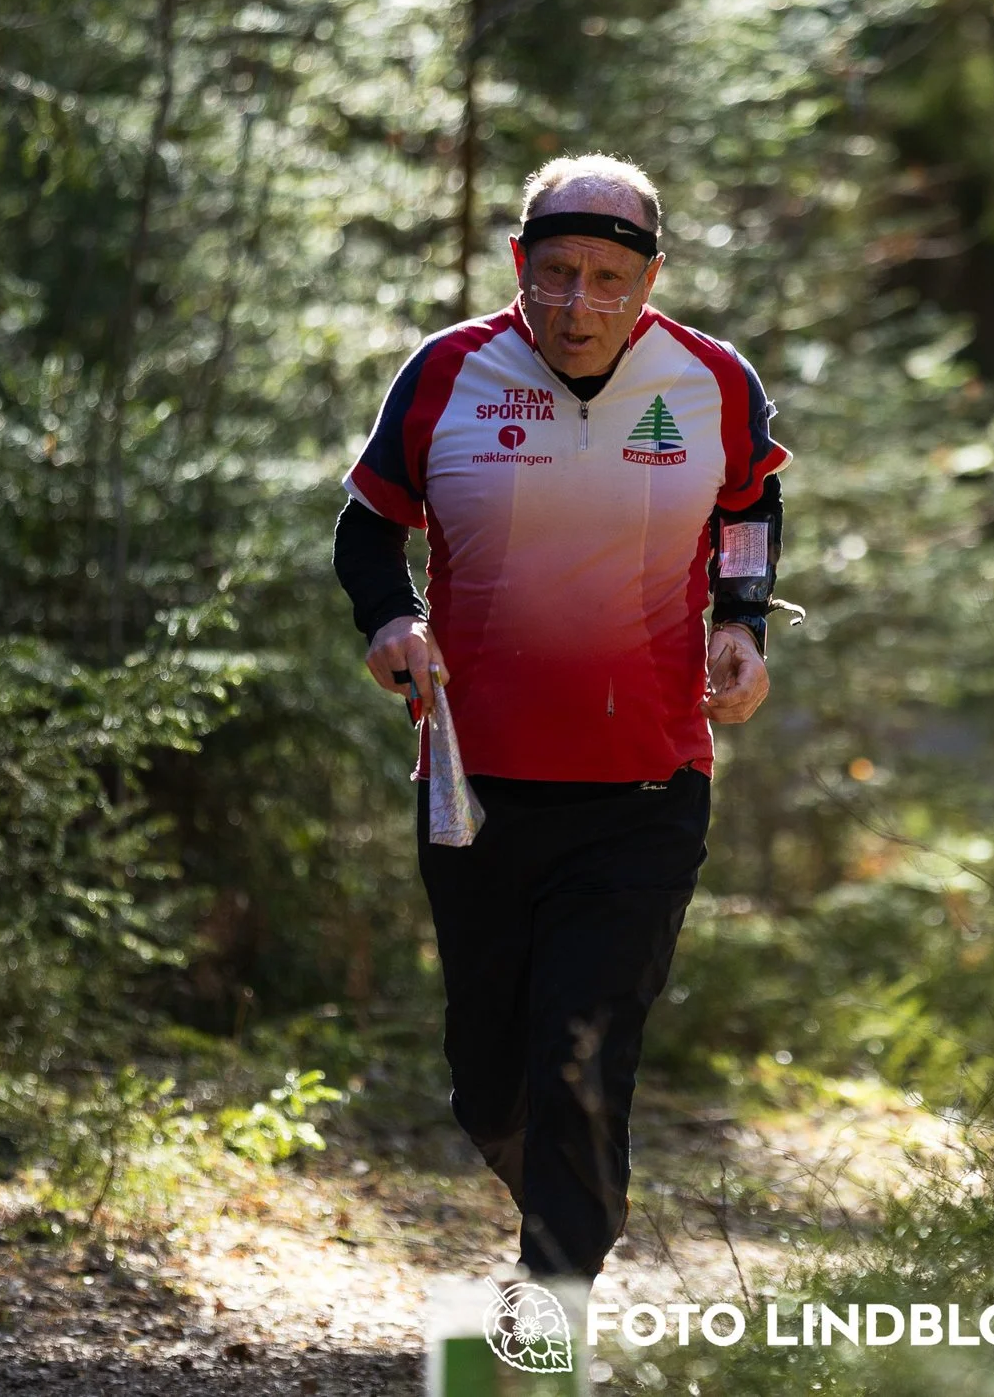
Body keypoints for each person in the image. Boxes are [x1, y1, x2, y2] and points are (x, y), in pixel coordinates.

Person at [333, 154, 788, 1279]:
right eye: (555, 274)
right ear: (517, 266)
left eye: (606, 278)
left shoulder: (714, 383)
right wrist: (389, 618)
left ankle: (555, 1295)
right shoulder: (446, 374)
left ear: (650, 278)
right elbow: (365, 525)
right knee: (489, 1076)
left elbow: (750, 505)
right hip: (474, 786)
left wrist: (742, 622)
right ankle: (573, 1204)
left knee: (583, 1046)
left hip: (645, 787)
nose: (578, 304)